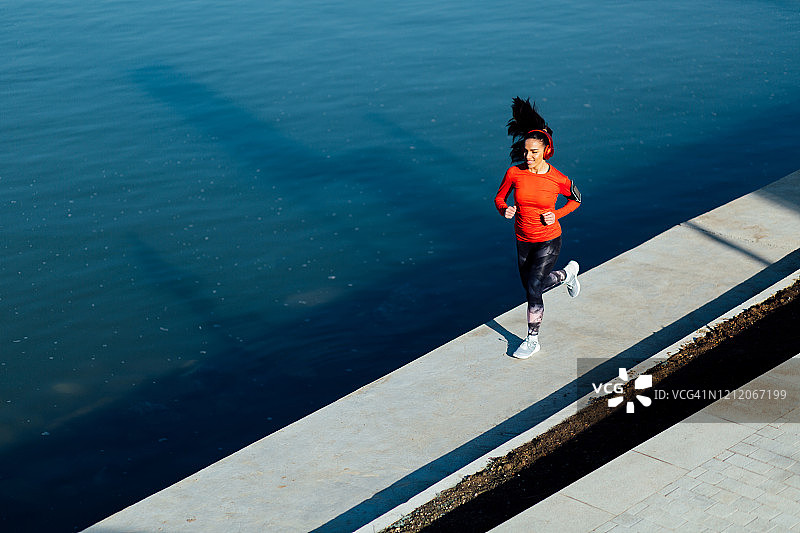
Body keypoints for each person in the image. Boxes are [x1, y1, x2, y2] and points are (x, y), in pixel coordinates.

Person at [494, 97, 582, 359]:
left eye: (533, 151)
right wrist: (504, 209)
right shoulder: (514, 174)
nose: (528, 156)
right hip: (522, 239)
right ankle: (567, 275)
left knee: (533, 287)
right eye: (525, 151)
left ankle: (532, 340)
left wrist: (556, 215)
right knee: (533, 287)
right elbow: (499, 198)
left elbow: (576, 199)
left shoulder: (558, 179)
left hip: (548, 239)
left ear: (546, 150)